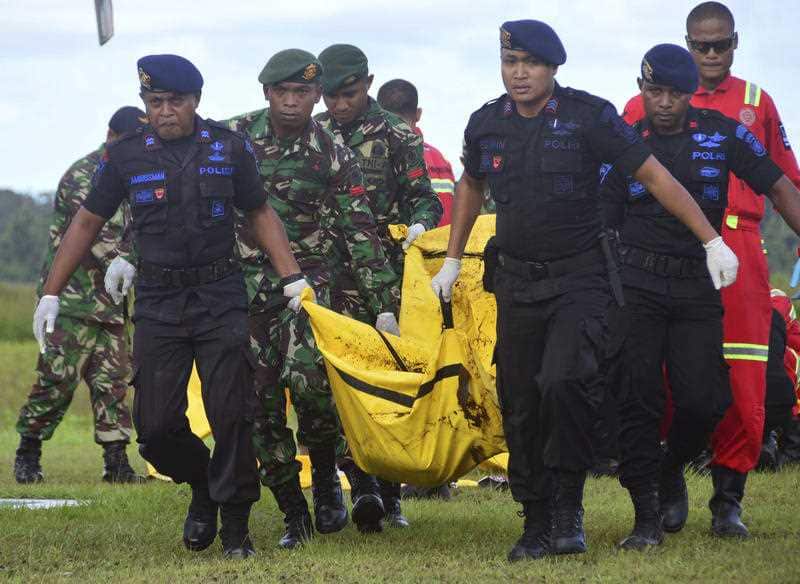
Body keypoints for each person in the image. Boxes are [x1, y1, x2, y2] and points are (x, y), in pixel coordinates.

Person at [430, 19, 738, 562]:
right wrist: (453, 259)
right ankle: (536, 519)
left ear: (552, 68)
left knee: (565, 381)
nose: (518, 73)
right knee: (521, 400)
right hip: (519, 281)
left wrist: (712, 240)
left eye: (530, 63)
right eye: (510, 62)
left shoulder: (588, 116)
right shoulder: (485, 124)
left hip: (582, 279)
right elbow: (471, 183)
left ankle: (568, 506)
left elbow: (655, 175)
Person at [33, 54, 308, 559]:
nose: (164, 111)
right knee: (155, 427)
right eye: (154, 102)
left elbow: (260, 211)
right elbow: (87, 221)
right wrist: (51, 290)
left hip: (220, 294)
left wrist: (292, 276)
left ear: (195, 100)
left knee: (232, 414)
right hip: (159, 301)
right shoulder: (127, 156)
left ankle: (236, 527)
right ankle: (202, 485)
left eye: (174, 101)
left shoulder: (228, 147)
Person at [600, 44, 800, 549]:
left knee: (704, 399)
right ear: (640, 88)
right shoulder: (620, 139)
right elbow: (598, 216)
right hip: (636, 282)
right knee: (639, 397)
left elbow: (778, 187)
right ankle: (646, 518)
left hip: (698, 281)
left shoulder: (723, 131)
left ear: (692, 93)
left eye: (675, 93)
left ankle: (671, 468)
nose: (664, 102)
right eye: (654, 91)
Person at [223, 49, 401, 546]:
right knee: (257, 404)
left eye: (303, 92)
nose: (292, 102)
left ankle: (325, 473)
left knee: (309, 384)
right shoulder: (231, 139)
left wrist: (383, 303)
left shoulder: (331, 151)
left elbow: (360, 229)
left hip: (308, 288)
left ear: (316, 95)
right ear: (266, 93)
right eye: (283, 92)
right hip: (242, 288)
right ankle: (291, 511)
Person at [317, 44, 444, 530]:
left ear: (367, 84)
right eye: (330, 96)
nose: (338, 105)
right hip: (324, 276)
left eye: (347, 94)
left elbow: (424, 200)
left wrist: (418, 227)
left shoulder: (396, 134)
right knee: (327, 386)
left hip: (381, 281)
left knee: (384, 384)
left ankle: (388, 495)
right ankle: (345, 484)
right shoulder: (315, 132)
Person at [13, 107, 146, 485]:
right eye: (126, 142)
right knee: (57, 380)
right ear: (110, 136)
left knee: (113, 382)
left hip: (112, 306)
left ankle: (116, 463)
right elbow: (99, 240)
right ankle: (28, 452)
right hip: (70, 302)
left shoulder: (138, 174)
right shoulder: (83, 175)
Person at [377, 79, 457, 227]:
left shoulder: (378, 156)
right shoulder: (440, 158)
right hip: (445, 245)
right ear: (418, 114)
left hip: (407, 245)